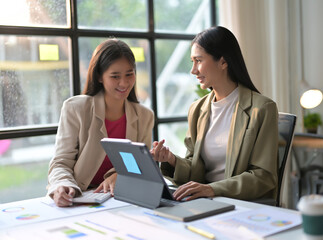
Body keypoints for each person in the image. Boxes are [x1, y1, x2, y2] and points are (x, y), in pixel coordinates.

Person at [151, 26, 278, 202]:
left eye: (199, 61)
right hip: (204, 201)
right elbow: (194, 169)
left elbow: (264, 176)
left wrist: (212, 189)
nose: (193, 70)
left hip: (241, 205)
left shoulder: (262, 108)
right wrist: (171, 159)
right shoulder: (197, 109)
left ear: (223, 62)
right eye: (192, 62)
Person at [47, 39, 154, 207]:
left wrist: (122, 176)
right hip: (80, 199)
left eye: (129, 74)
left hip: (121, 201)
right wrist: (63, 185)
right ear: (99, 76)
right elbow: (61, 162)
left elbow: (142, 167)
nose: (124, 83)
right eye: (115, 76)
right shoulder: (76, 109)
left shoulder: (144, 116)